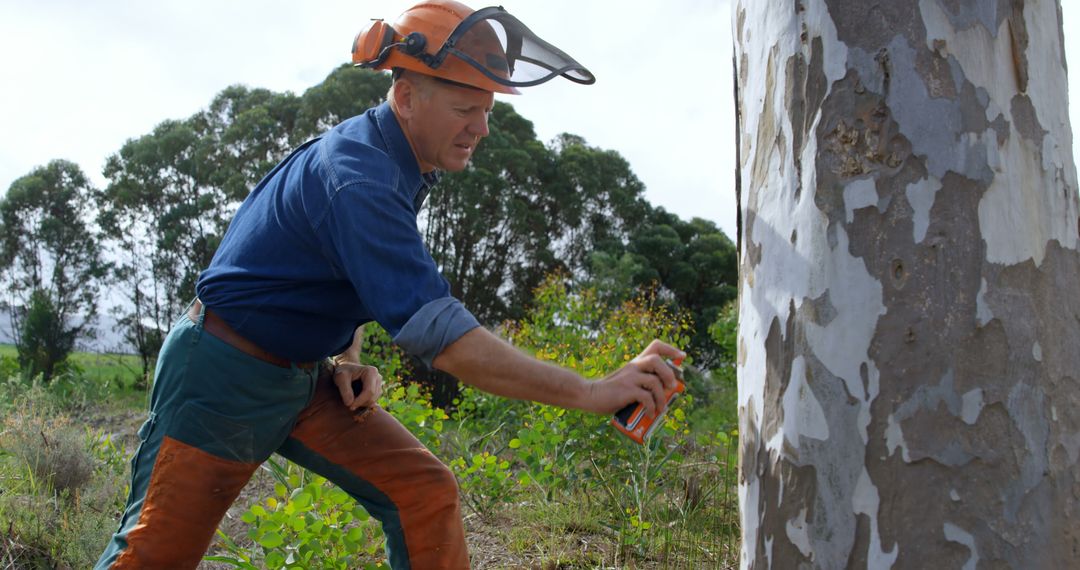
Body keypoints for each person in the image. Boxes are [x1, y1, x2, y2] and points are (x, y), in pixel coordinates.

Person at [95, 1, 683, 568]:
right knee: (153, 556)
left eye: (487, 111)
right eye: (463, 109)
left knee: (424, 492)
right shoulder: (360, 179)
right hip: (223, 373)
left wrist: (345, 353)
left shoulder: (390, 159)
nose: (480, 128)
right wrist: (592, 391)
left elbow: (325, 273)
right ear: (406, 96)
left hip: (303, 379)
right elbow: (446, 340)